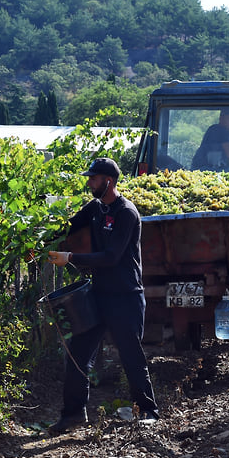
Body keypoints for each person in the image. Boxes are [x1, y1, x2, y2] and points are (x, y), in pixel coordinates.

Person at [47, 157, 161, 434]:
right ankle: (73, 414)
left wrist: (71, 258)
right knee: (77, 353)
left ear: (107, 181)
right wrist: (39, 239)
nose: (89, 183)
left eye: (93, 179)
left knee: (131, 355)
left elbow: (111, 258)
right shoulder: (96, 208)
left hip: (125, 297)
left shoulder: (126, 213)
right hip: (98, 295)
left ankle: (148, 411)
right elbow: (68, 227)